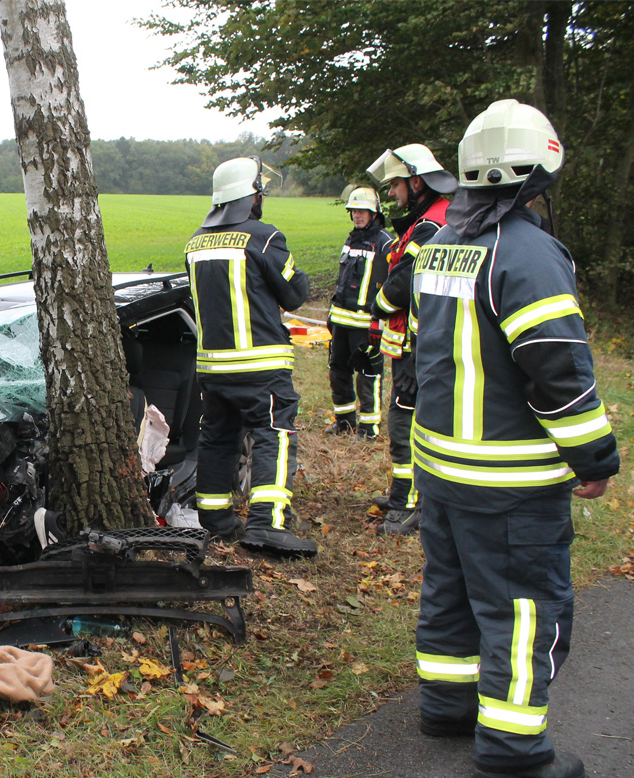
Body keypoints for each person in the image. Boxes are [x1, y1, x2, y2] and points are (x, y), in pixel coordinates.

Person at [411, 99, 619, 778]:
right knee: (524, 609)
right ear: (542, 171)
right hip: (508, 480)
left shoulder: (441, 242)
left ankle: (447, 705)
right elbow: (558, 369)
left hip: (439, 466)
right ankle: (514, 748)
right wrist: (594, 458)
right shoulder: (528, 254)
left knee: (450, 588)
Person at [185, 157, 316, 557]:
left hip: (212, 368)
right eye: (260, 191)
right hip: (261, 366)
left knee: (218, 437)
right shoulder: (264, 238)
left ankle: (215, 519)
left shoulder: (194, 244)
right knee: (272, 435)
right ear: (251, 196)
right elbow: (296, 293)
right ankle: (268, 525)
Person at [365, 143, 457, 535]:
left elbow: (403, 283)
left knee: (407, 422)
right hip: (414, 343)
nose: (391, 194)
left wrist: (378, 305)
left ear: (416, 181)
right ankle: (404, 491)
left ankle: (410, 503)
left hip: (419, 345)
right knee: (405, 418)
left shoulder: (431, 226)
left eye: (396, 186)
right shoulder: (434, 219)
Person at [324, 186, 393, 439]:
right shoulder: (350, 239)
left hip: (367, 323)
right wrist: (331, 315)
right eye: (354, 211)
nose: (357, 216)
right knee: (337, 371)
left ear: (375, 213)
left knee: (368, 374)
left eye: (362, 211)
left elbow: (391, 284)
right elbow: (343, 280)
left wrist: (379, 320)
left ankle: (369, 429)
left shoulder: (386, 243)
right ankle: (344, 422)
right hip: (341, 320)